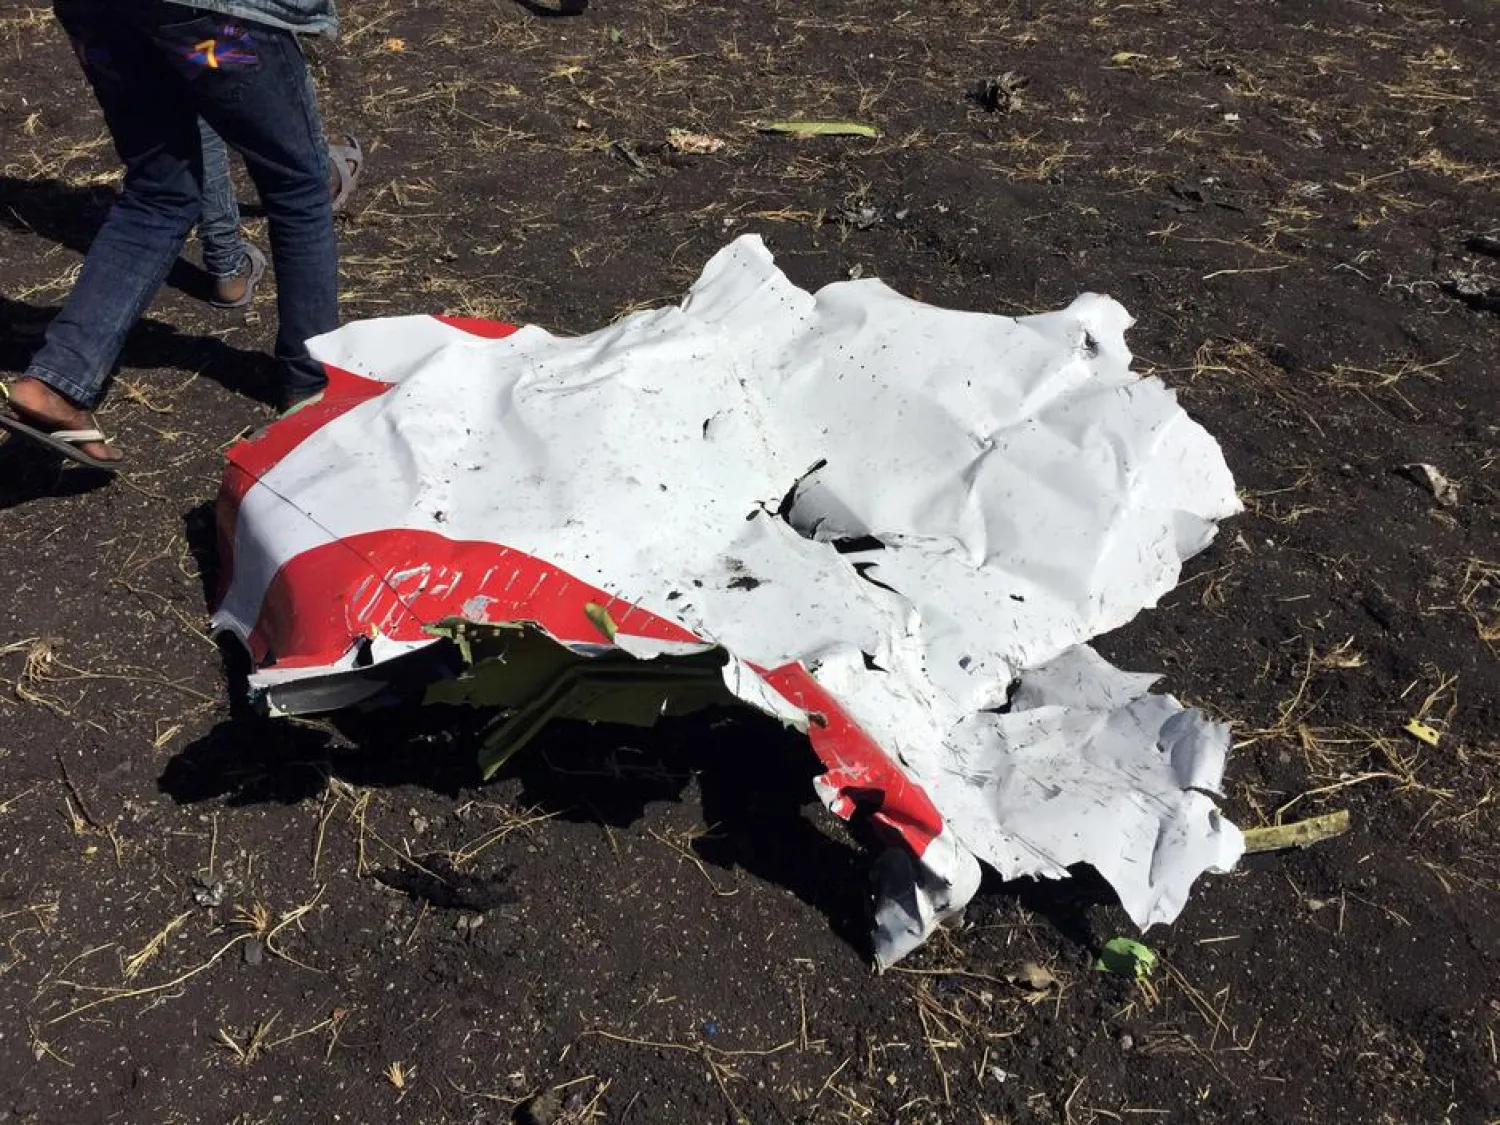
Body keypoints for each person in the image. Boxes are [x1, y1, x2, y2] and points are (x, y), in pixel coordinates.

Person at [0, 0, 342, 473]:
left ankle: (57, 381)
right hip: (210, 17)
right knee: (298, 185)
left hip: (98, 13)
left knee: (160, 191)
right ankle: (312, 385)